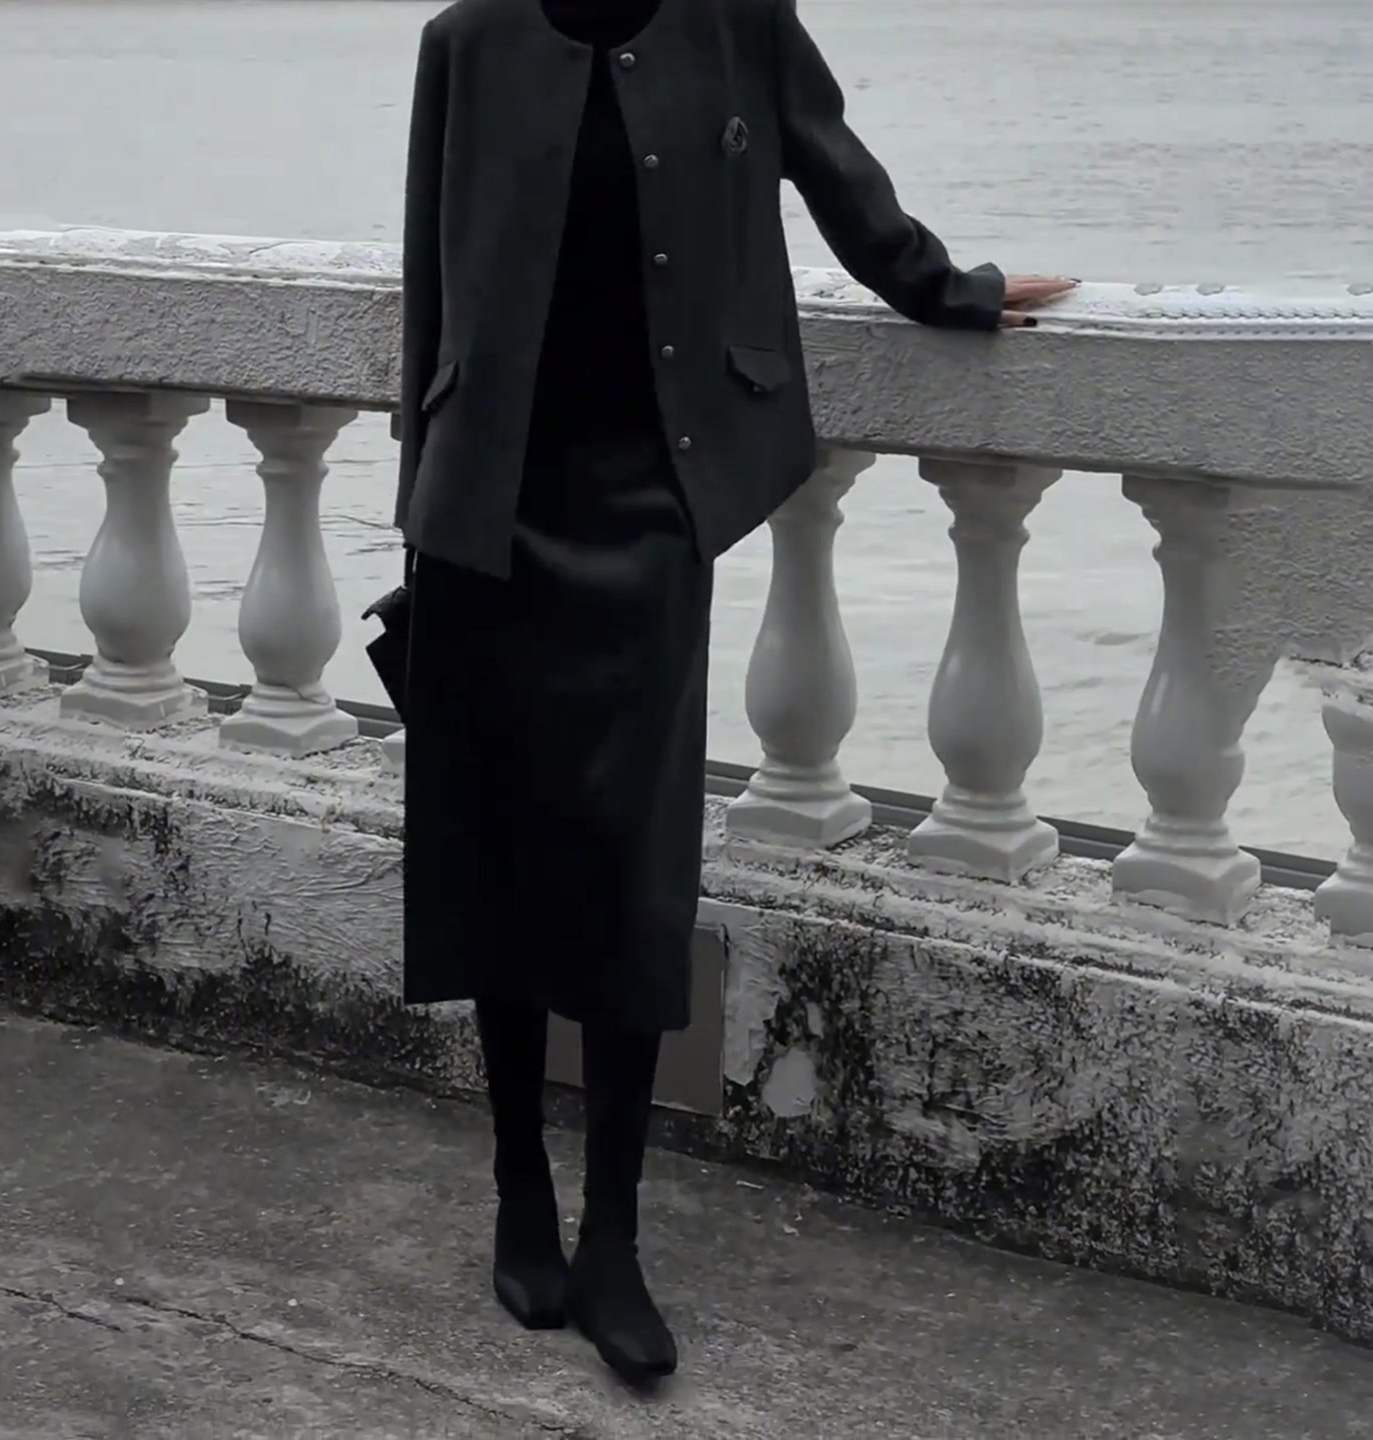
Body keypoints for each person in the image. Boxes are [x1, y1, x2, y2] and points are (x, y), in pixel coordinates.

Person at [393, 0, 1074, 1390]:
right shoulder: (467, 41)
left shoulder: (738, 22)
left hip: (654, 498)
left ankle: (615, 1236)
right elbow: (430, 285)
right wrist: (425, 498)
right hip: (492, 501)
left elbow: (836, 171)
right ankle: (520, 1189)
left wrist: (951, 287)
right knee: (499, 858)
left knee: (634, 876)